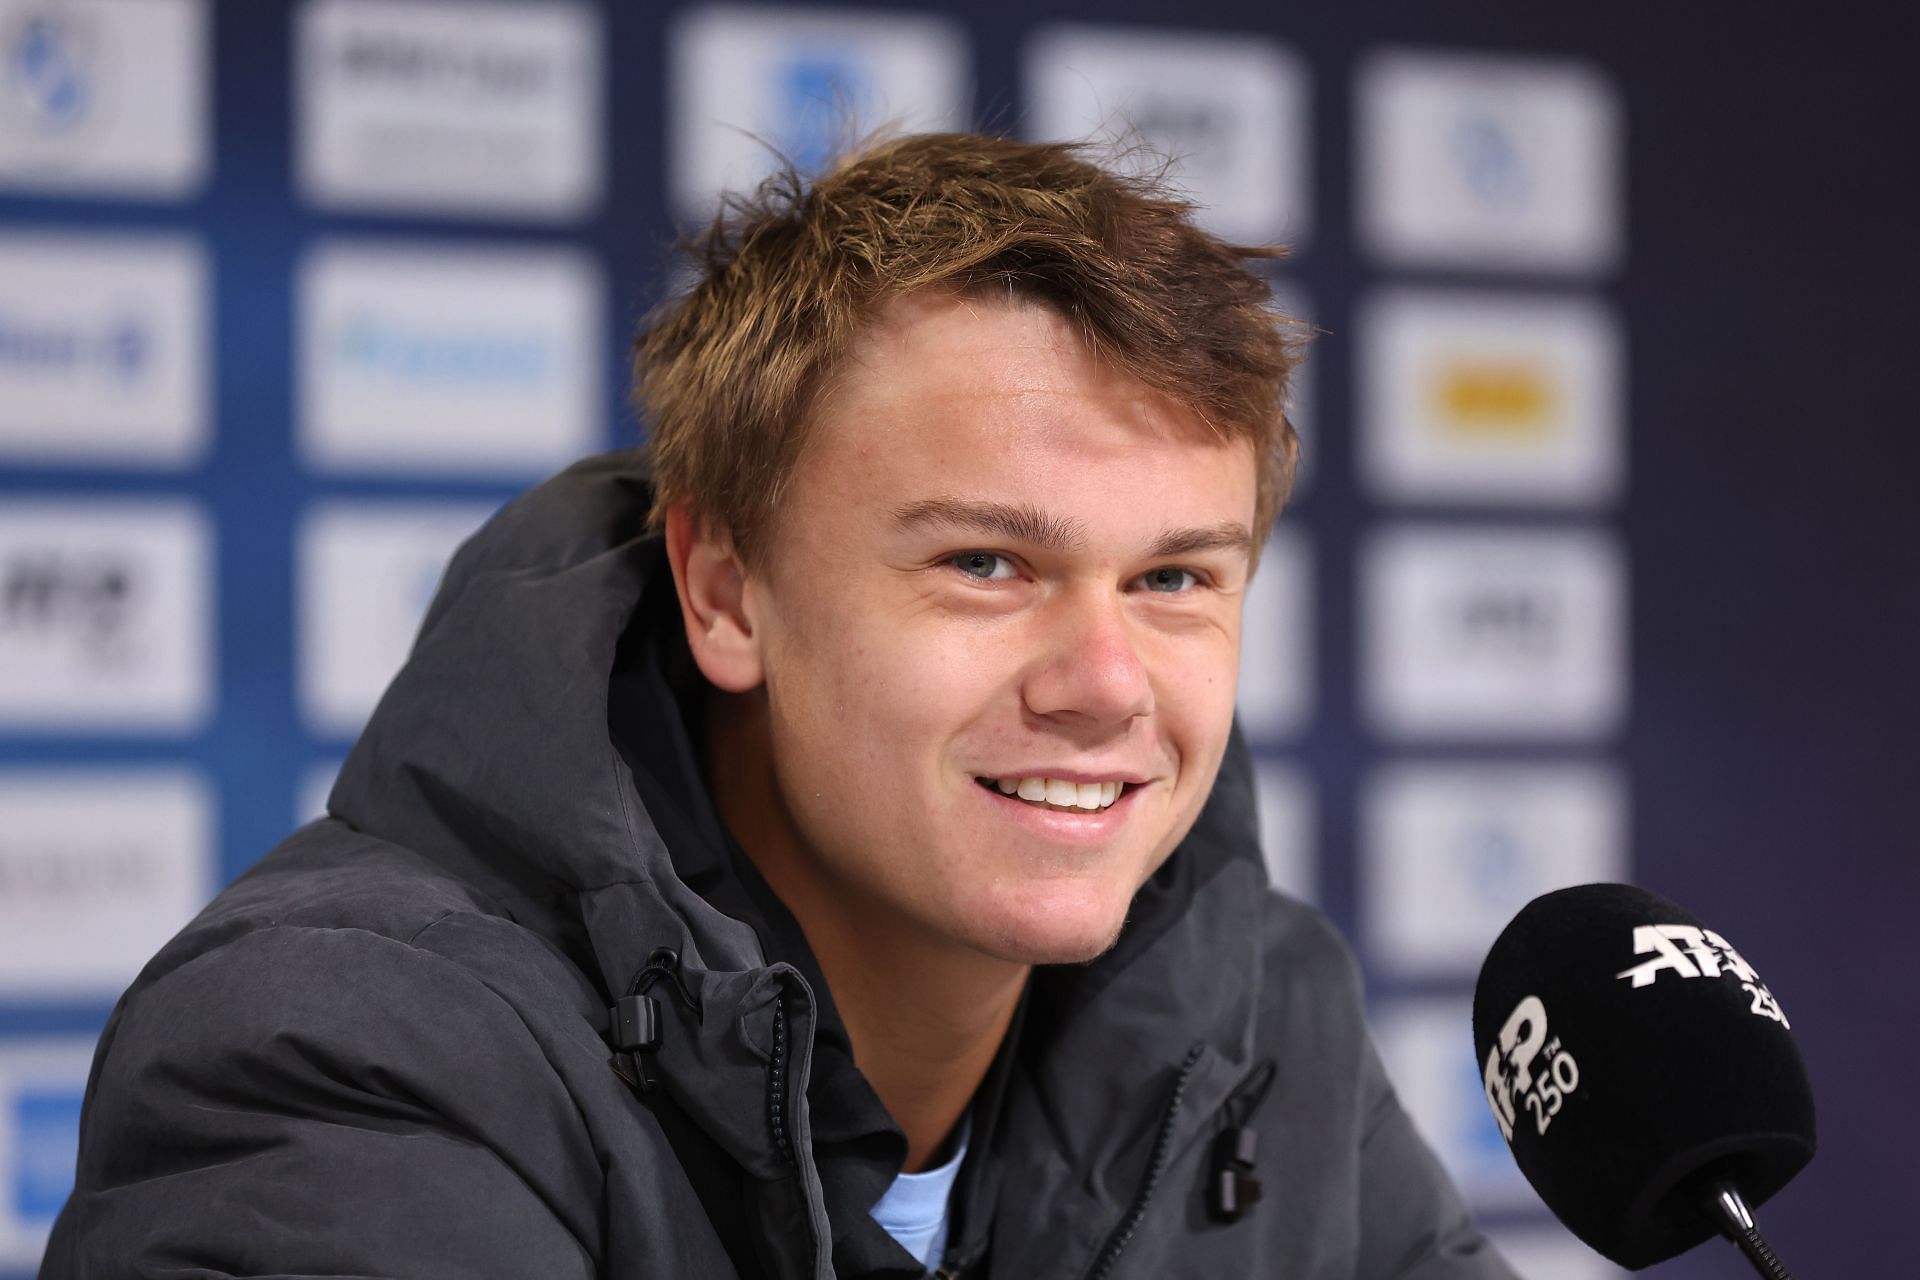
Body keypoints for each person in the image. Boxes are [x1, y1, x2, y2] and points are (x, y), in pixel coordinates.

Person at [44, 132, 1517, 1279]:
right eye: (988, 562)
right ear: (728, 592)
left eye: (1178, 580)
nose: (1106, 685)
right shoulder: (345, 1050)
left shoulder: (1262, 1013)